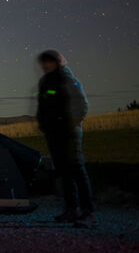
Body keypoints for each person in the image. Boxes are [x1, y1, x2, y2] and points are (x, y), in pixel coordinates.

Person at [36, 50, 95, 224]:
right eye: (43, 62)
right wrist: (44, 125)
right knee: (64, 172)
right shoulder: (45, 82)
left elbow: (82, 106)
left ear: (58, 62)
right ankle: (72, 209)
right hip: (53, 134)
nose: (45, 65)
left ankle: (88, 211)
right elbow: (43, 105)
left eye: (49, 61)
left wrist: (69, 125)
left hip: (69, 133)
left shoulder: (68, 79)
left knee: (77, 170)